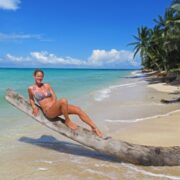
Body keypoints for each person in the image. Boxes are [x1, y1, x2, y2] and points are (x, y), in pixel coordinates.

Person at [28, 69, 103, 137]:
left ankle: (95, 128)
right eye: (38, 76)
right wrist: (34, 107)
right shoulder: (31, 89)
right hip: (49, 112)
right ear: (34, 76)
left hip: (55, 107)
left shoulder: (47, 85)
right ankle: (67, 121)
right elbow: (31, 98)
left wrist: (55, 105)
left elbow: (54, 97)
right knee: (63, 100)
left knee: (78, 109)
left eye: (41, 76)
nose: (40, 78)